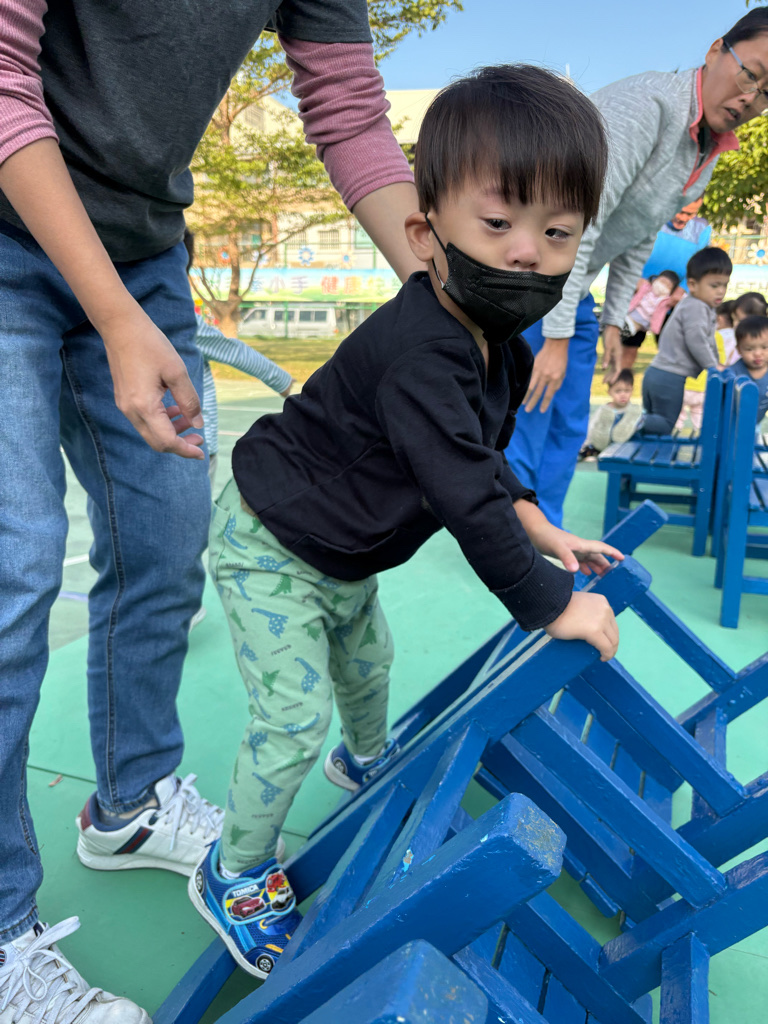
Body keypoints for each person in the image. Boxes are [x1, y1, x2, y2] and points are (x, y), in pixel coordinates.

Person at [0, 2, 422, 1019]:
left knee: (165, 540)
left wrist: (445, 290)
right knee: (15, 567)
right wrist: (112, 316)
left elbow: (347, 103)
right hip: (11, 213)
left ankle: (130, 803)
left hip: (145, 246)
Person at [189, 65, 622, 979]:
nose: (527, 254)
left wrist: (542, 526)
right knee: (292, 717)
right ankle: (233, 872)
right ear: (427, 236)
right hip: (273, 540)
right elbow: (462, 496)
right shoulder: (422, 348)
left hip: (342, 548)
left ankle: (364, 762)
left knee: (369, 666)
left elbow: (480, 459)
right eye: (497, 224)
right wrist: (550, 601)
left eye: (556, 233)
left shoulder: (493, 343)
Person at [505, 7, 768, 526]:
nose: (751, 99)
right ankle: (514, 533)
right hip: (529, 282)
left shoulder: (705, 148)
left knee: (569, 422)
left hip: (571, 289)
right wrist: (555, 339)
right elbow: (578, 223)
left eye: (766, 94)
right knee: (532, 413)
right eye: (751, 75)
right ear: (717, 50)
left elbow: (640, 232)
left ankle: (549, 529)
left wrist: (612, 321)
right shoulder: (648, 106)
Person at [184, 232, 294, 488]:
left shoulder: (179, 320)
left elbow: (232, 351)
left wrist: (281, 381)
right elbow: (233, 351)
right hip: (188, 440)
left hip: (191, 441)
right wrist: (282, 382)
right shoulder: (178, 319)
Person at [641, 247, 732, 434]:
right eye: (714, 286)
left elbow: (709, 342)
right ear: (692, 285)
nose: (721, 292)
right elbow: (696, 339)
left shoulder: (703, 307)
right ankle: (627, 419)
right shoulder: (696, 306)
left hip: (657, 375)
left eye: (725, 285)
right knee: (665, 423)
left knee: (654, 426)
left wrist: (717, 362)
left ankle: (630, 424)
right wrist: (713, 366)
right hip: (670, 377)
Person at [619, 270, 680, 369]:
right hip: (631, 315)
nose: (662, 285)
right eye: (662, 281)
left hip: (646, 324)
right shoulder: (646, 287)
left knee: (666, 350)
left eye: (667, 285)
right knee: (626, 343)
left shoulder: (666, 300)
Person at [579, 370, 642, 459]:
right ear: (609, 392)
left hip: (624, 446)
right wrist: (586, 443)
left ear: (632, 390)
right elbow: (591, 427)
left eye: (627, 391)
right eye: (618, 391)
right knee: (588, 448)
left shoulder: (634, 411)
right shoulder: (603, 411)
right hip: (601, 445)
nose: (623, 395)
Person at [728, 314, 768, 424]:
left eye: (764, 347)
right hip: (731, 424)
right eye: (749, 349)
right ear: (739, 349)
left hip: (756, 423)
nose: (757, 354)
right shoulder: (733, 373)